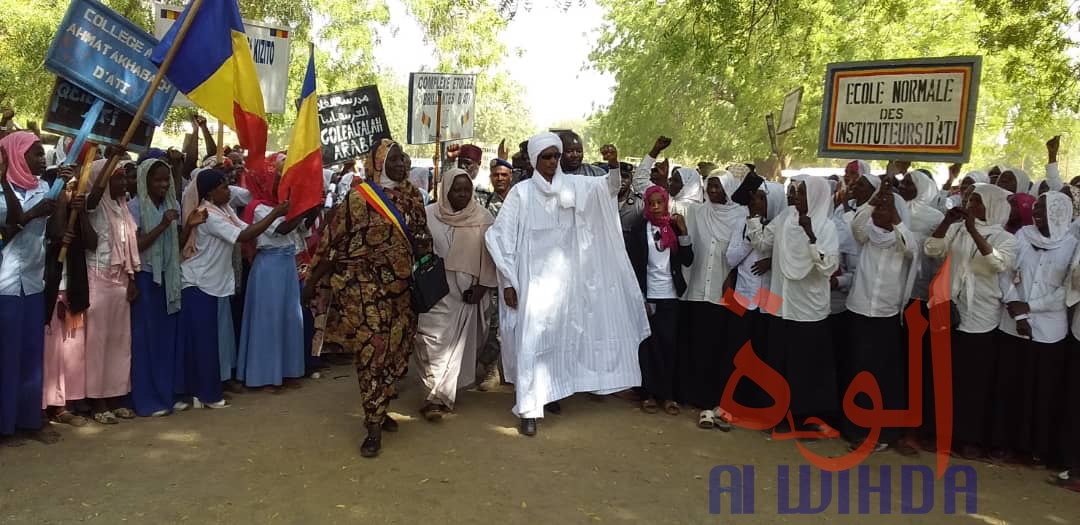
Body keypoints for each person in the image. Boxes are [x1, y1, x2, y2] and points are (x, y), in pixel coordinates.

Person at [484, 133, 649, 437]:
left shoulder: (574, 187)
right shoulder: (521, 194)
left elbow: (608, 190)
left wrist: (613, 165)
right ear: (534, 159)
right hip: (532, 285)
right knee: (531, 343)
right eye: (546, 157)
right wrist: (508, 281)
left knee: (562, 342)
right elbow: (500, 239)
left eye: (555, 157)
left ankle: (552, 394)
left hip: (566, 288)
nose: (551, 162)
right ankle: (529, 409)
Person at [303, 139, 432, 457]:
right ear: (377, 162)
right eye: (394, 159)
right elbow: (332, 238)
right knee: (372, 352)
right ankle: (373, 424)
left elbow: (424, 238)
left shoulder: (413, 197)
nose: (401, 164)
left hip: (402, 293)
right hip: (365, 291)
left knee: (396, 354)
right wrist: (312, 279)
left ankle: (381, 405)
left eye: (403, 158)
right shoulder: (359, 199)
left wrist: (420, 244)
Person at [178, 170, 289, 410]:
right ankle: (208, 394)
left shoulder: (224, 210)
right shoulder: (207, 214)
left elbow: (246, 226)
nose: (228, 191)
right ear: (209, 192)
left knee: (205, 341)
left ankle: (198, 392)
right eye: (223, 187)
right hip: (199, 281)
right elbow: (244, 235)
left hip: (211, 281)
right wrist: (276, 215)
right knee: (204, 343)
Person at [924, 183, 1018, 459]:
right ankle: (939, 433)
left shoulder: (1005, 239)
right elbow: (932, 249)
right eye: (969, 200)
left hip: (981, 316)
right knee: (944, 376)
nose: (971, 205)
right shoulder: (957, 230)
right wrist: (947, 222)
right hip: (950, 310)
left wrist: (974, 230)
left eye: (977, 202)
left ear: (992, 206)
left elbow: (997, 264)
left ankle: (969, 438)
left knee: (973, 382)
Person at [747, 176, 840, 433]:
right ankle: (776, 415)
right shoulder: (786, 219)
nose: (795, 196)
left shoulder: (826, 227)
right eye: (795, 191)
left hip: (808, 309)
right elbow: (763, 243)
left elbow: (828, 266)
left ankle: (803, 419)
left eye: (801, 192)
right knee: (779, 362)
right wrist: (755, 218)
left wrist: (810, 233)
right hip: (781, 304)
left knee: (805, 367)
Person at [991, 192, 1076, 464]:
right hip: (1013, 323)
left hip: (1049, 329)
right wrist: (1018, 311)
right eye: (1036, 207)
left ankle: (1033, 448)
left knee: (1041, 391)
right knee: (1010, 386)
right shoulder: (1023, 236)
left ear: (1059, 213)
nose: (1036, 212)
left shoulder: (1072, 244)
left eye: (1043, 208)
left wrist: (1031, 307)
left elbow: (1068, 291)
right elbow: (1005, 272)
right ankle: (1005, 443)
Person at [414, 168, 497, 419]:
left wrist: (482, 287)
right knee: (428, 341)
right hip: (434, 293)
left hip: (466, 294)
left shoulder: (484, 218)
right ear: (445, 190)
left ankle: (437, 399)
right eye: (456, 190)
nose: (461, 194)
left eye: (466, 190)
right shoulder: (427, 215)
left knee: (456, 346)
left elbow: (490, 258)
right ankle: (435, 395)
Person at [842, 179, 917, 453]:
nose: (880, 212)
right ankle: (856, 429)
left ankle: (883, 432)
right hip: (859, 309)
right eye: (878, 208)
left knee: (882, 377)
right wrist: (874, 200)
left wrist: (895, 219)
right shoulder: (867, 235)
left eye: (887, 208)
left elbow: (910, 248)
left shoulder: (903, 239)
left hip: (885, 315)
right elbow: (856, 225)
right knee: (858, 371)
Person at [0, 131, 60, 444]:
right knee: (5, 357)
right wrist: (31, 214)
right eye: (34, 153)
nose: (41, 159)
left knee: (30, 355)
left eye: (42, 153)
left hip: (34, 282)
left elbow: (55, 230)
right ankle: (4, 426)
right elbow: (6, 231)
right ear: (14, 155)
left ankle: (28, 419)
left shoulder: (46, 187)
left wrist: (66, 198)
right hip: (5, 285)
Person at [236, 165, 314, 392]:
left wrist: (310, 207)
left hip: (287, 264)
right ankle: (263, 375)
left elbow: (301, 228)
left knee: (289, 318)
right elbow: (281, 229)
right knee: (268, 321)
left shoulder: (280, 206)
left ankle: (287, 370)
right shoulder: (260, 208)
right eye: (277, 181)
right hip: (269, 266)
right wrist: (299, 207)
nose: (281, 185)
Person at [676, 171, 743, 413]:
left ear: (728, 189)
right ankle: (691, 394)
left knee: (718, 347)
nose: (712, 190)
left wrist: (734, 275)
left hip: (722, 292)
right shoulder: (697, 212)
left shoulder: (740, 215)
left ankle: (713, 397)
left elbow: (742, 254)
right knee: (695, 344)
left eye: (717, 186)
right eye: (709, 186)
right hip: (696, 289)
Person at [81, 160, 142, 424]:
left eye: (123, 178)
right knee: (98, 344)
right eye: (115, 179)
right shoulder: (93, 207)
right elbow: (92, 198)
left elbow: (130, 249)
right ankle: (98, 401)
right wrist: (111, 159)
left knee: (120, 342)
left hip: (120, 281)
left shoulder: (123, 208)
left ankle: (116, 397)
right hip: (98, 280)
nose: (123, 183)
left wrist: (131, 280)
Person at [626, 185, 693, 415]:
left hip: (670, 296)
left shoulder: (674, 227)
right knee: (648, 346)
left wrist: (683, 233)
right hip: (648, 296)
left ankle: (668, 395)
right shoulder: (638, 230)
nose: (655, 207)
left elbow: (688, 260)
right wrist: (641, 297)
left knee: (669, 346)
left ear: (666, 203)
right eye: (651, 203)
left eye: (659, 202)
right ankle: (648, 394)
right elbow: (634, 267)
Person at [129, 158, 182, 417]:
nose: (163, 184)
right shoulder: (135, 207)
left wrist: (190, 223)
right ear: (145, 180)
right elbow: (135, 246)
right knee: (145, 341)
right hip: (146, 279)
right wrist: (163, 224)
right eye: (158, 179)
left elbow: (179, 242)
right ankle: (146, 400)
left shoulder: (174, 205)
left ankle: (166, 395)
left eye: (166, 179)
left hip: (169, 280)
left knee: (165, 341)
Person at [476, 157, 515, 390]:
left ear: (511, 177)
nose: (500, 179)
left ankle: (512, 368)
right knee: (492, 322)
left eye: (504, 175)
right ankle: (491, 369)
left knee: (515, 321)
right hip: (491, 270)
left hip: (516, 270)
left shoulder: (521, 200)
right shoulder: (483, 201)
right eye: (496, 175)